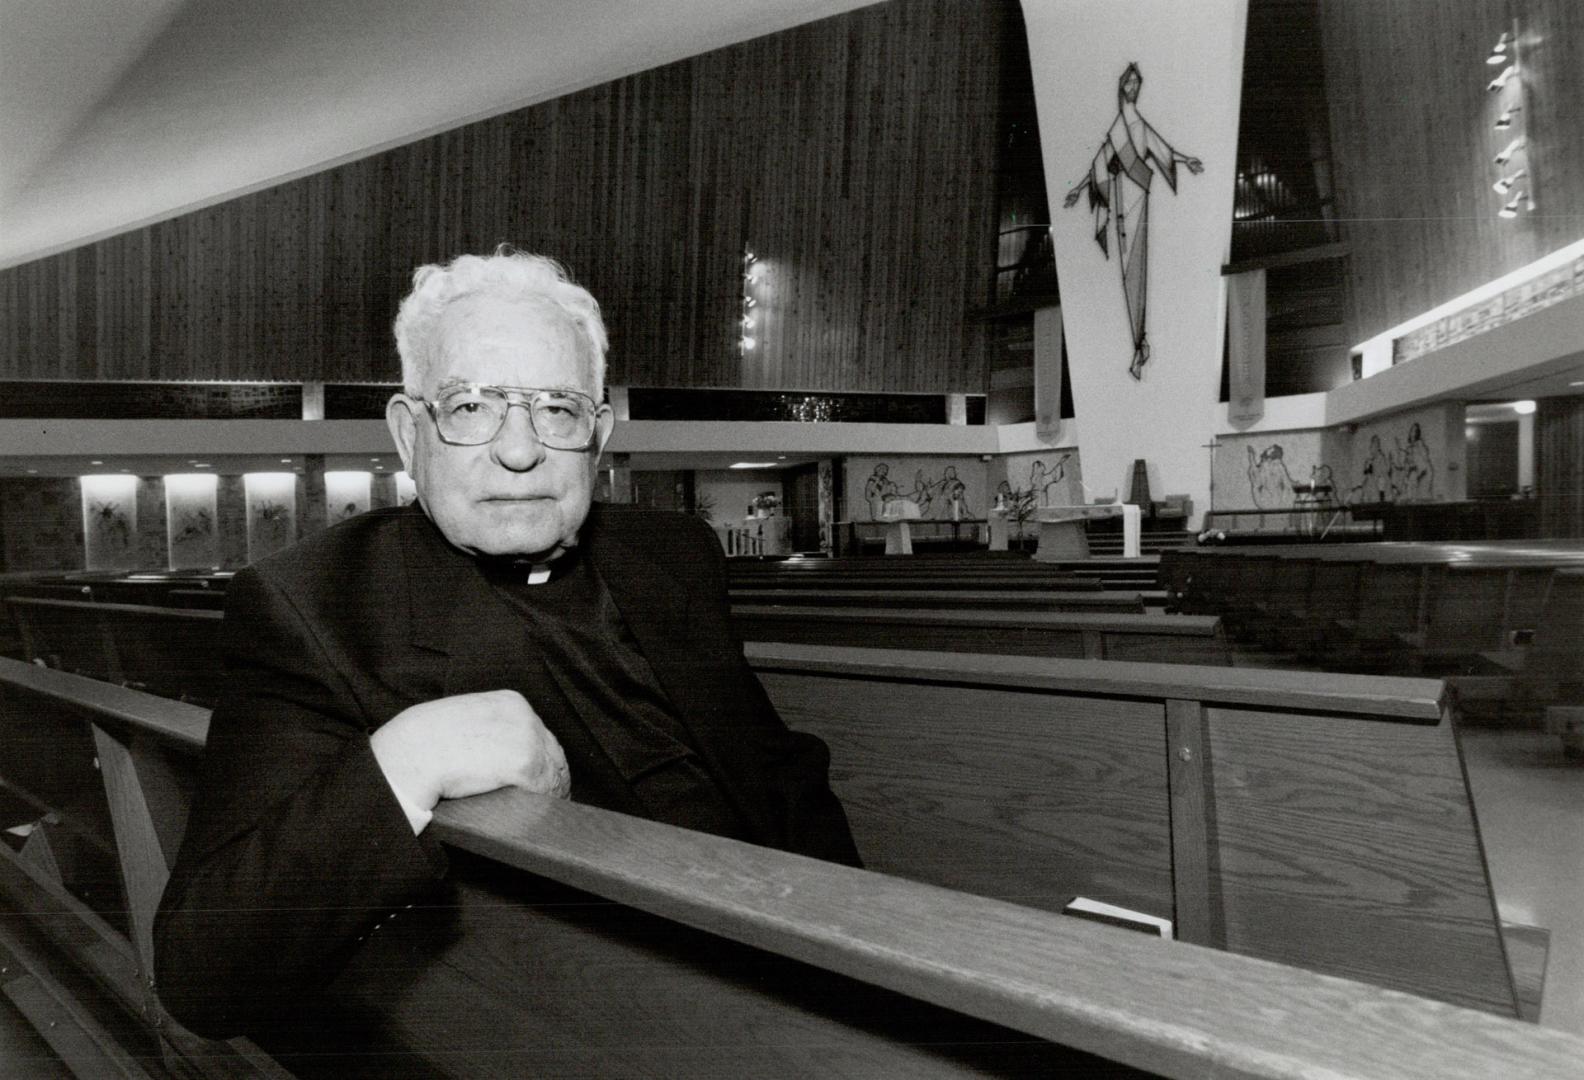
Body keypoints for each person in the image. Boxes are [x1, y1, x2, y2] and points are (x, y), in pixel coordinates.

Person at [153, 249, 859, 1037]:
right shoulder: (317, 608)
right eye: (470, 407)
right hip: (606, 1024)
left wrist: (867, 956)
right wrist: (407, 760)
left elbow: (781, 780)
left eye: (557, 408)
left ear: (598, 432)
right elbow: (201, 974)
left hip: (793, 978)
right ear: (407, 432)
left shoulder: (674, 556)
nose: (520, 452)